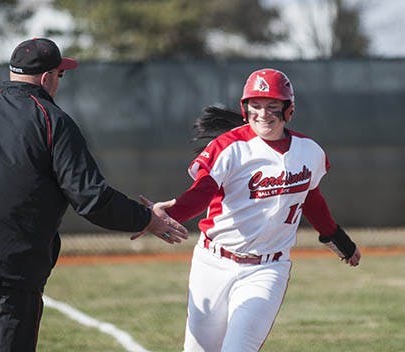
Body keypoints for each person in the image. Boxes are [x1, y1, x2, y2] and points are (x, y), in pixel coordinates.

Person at [0, 37, 187, 352]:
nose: (59, 81)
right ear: (47, 77)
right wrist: (147, 219)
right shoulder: (53, 120)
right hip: (14, 270)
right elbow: (91, 199)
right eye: (60, 74)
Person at [132, 68, 361, 352]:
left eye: (272, 107)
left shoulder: (308, 150)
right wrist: (170, 213)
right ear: (245, 108)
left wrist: (336, 238)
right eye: (256, 106)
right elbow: (203, 192)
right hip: (213, 263)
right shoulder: (230, 147)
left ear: (288, 110)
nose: (263, 114)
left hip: (268, 268)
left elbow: (310, 197)